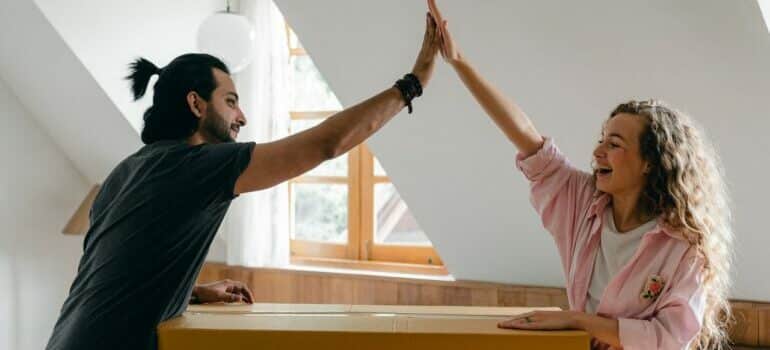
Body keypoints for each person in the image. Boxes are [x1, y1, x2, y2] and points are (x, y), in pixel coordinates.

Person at [45, 13, 441, 350]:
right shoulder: (200, 165)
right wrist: (413, 83)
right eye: (231, 101)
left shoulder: (128, 169)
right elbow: (327, 144)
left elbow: (114, 272)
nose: (242, 117)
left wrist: (193, 290)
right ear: (196, 103)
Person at [427, 1, 733, 349]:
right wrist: (459, 62)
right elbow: (524, 133)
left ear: (651, 162)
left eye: (614, 144)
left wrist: (575, 320)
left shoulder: (683, 246)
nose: (598, 151)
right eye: (601, 140)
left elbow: (669, 338)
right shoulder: (580, 201)